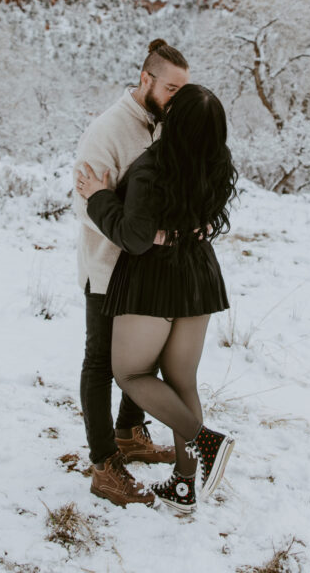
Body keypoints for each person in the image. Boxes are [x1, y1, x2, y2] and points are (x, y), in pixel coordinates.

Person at [76, 83, 238, 514]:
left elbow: (133, 237)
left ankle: (207, 441)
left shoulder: (152, 171)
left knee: (130, 374)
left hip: (153, 279)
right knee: (182, 380)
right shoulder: (218, 162)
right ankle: (185, 486)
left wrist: (98, 197)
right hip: (198, 274)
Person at [73, 39, 190, 507]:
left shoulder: (165, 125)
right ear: (146, 80)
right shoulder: (107, 131)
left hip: (151, 270)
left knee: (145, 360)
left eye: (185, 89)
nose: (177, 98)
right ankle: (103, 464)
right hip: (107, 269)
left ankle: (130, 433)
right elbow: (84, 205)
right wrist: (143, 232)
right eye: (171, 88)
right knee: (101, 362)